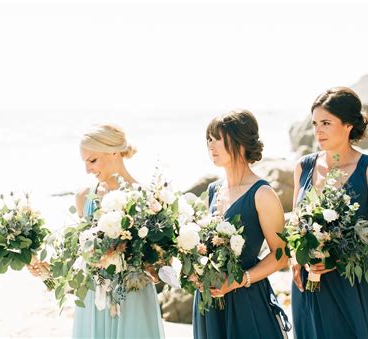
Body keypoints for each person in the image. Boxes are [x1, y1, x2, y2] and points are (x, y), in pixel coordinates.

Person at [28, 123, 164, 339]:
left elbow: (161, 262)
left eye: (92, 160)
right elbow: (76, 257)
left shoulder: (149, 196)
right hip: (93, 295)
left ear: (114, 152)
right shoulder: (83, 196)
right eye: (84, 162)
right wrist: (47, 271)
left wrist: (151, 265)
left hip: (134, 295)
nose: (87, 169)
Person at [291, 87, 368, 339]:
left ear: (348, 124)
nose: (318, 131)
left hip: (352, 282)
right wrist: (295, 258)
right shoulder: (303, 167)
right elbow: (295, 223)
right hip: (308, 281)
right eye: (315, 123)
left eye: (326, 123)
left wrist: (340, 253)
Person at [193, 109, 291, 339]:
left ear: (240, 142)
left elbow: (281, 254)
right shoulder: (213, 190)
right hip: (210, 300)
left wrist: (238, 281)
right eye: (209, 139)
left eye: (218, 138)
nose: (211, 145)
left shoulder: (262, 193)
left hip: (245, 300)